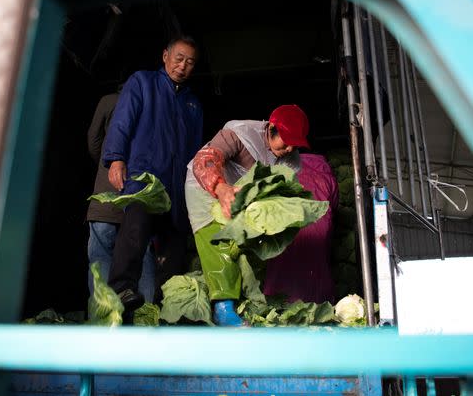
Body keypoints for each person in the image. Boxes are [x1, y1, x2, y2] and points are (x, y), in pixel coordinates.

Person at [102, 36, 203, 312]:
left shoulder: (193, 104)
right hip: (145, 179)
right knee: (134, 232)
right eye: (179, 58)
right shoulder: (143, 82)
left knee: (174, 246)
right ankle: (122, 288)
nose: (182, 66)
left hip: (176, 185)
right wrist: (116, 158)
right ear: (165, 56)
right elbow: (122, 121)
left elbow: (195, 151)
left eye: (190, 62)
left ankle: (167, 306)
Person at [185, 104, 310, 325]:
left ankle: (243, 306)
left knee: (249, 251)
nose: (290, 148)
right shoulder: (240, 134)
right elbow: (205, 159)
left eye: (295, 143)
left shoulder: (290, 159)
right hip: (207, 189)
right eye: (286, 139)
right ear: (271, 128)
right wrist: (220, 188)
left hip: (244, 200)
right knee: (220, 243)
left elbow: (283, 194)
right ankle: (223, 310)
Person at [85, 91, 155, 302]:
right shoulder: (154, 103)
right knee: (142, 254)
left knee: (101, 255)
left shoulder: (109, 100)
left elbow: (93, 140)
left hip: (107, 193)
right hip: (141, 192)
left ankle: (107, 319)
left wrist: (106, 165)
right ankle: (146, 320)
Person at [262, 153, 337, 303]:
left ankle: (275, 305)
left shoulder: (276, 170)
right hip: (317, 229)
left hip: (283, 230)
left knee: (279, 268)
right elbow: (333, 206)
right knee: (315, 269)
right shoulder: (325, 172)